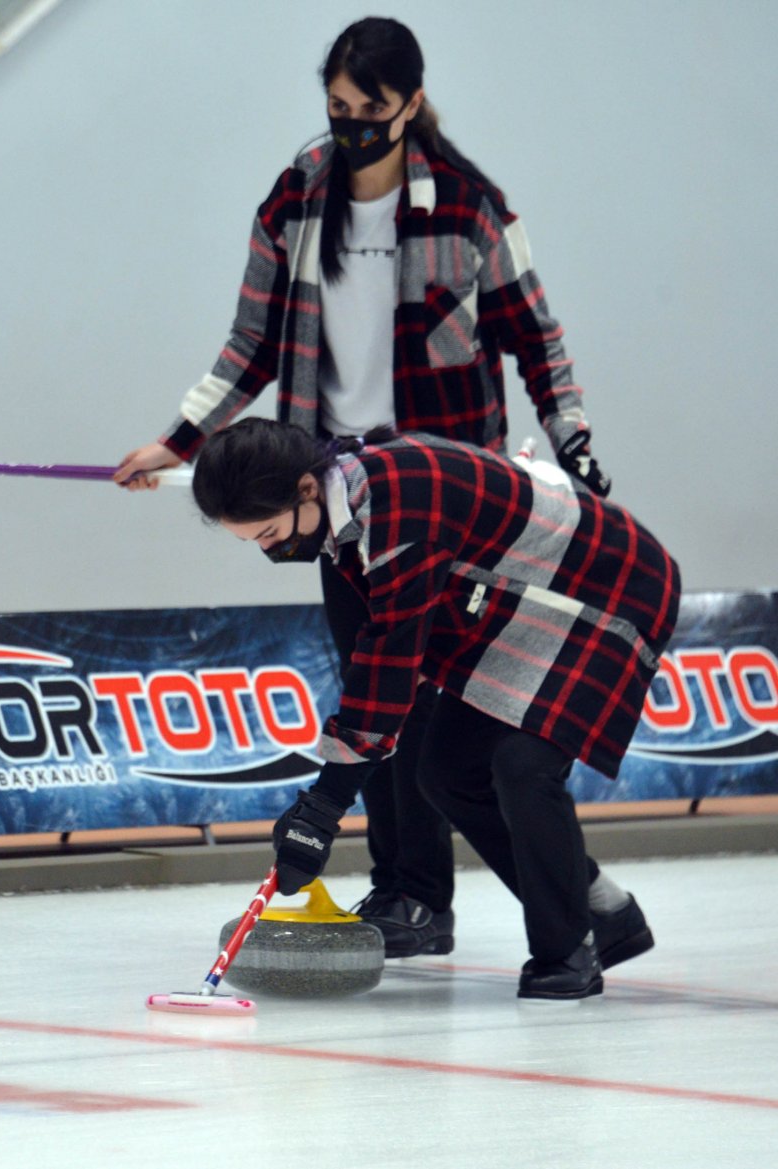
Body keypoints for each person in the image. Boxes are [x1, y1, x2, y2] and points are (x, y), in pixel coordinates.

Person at [114, 16, 611, 959]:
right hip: (331, 493)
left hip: (454, 493)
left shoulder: (468, 205)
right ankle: (411, 894)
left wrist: (573, 439)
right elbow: (250, 340)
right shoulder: (299, 194)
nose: (350, 127)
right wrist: (179, 438)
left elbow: (535, 341)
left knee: (441, 698)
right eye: (336, 108)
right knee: (376, 690)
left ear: (409, 105)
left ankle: (566, 902)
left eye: (369, 111)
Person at [190, 418, 680, 1000]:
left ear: (305, 489)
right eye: (254, 542)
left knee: (525, 766)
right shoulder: (350, 501)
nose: (272, 551)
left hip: (613, 585)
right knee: (448, 771)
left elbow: (389, 665)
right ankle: (605, 912)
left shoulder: (397, 511)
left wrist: (322, 808)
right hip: (522, 598)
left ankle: (566, 952)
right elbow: (389, 653)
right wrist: (324, 804)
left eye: (269, 533)